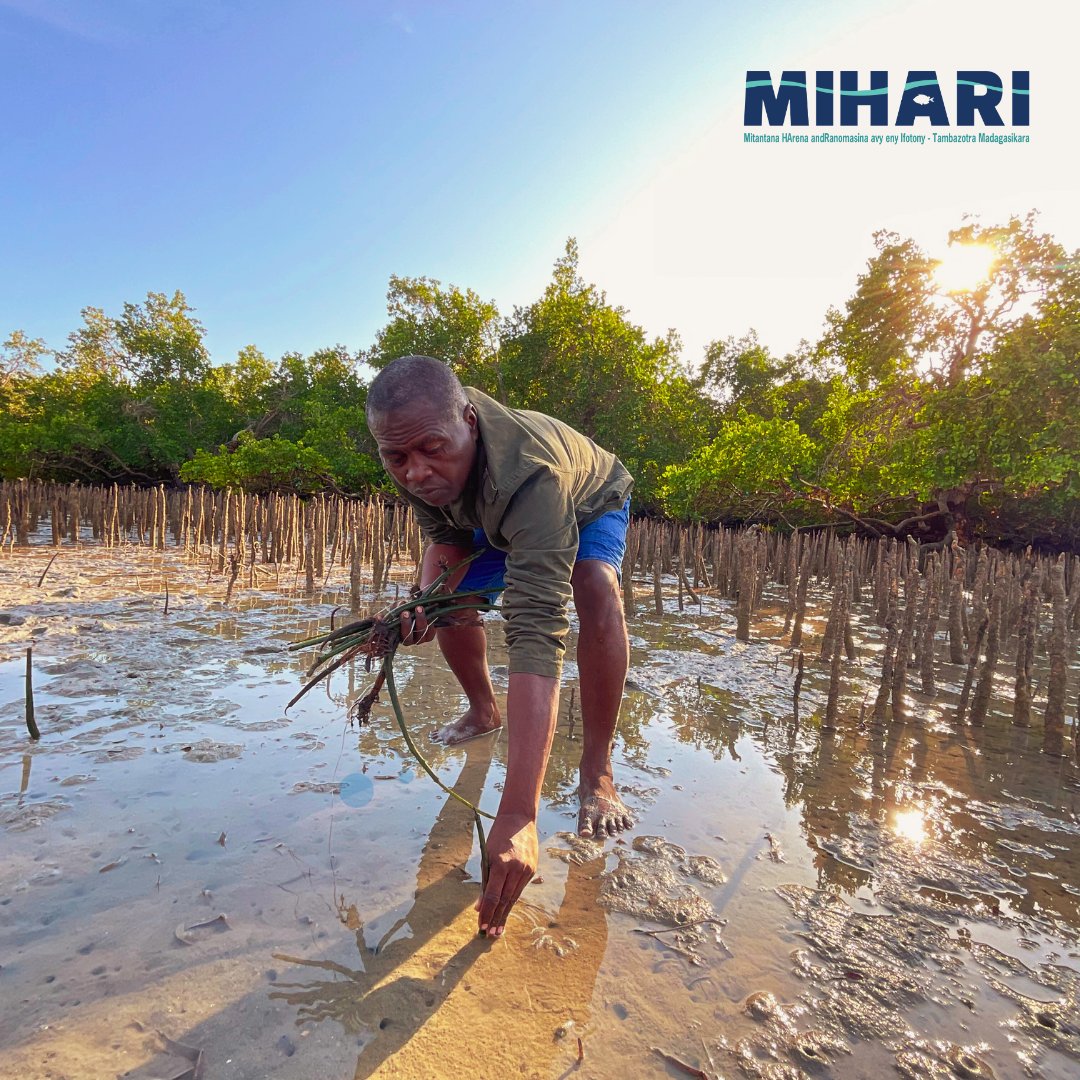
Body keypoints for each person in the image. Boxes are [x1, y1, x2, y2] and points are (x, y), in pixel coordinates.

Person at [365, 354, 636, 938]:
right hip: (492, 514)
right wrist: (419, 606)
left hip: (586, 501)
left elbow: (537, 633)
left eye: (431, 449)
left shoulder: (533, 476)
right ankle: (483, 709)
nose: (414, 472)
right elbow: (446, 545)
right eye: (397, 458)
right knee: (445, 600)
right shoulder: (417, 464)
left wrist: (517, 814)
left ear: (467, 420)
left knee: (593, 587)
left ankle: (598, 770)